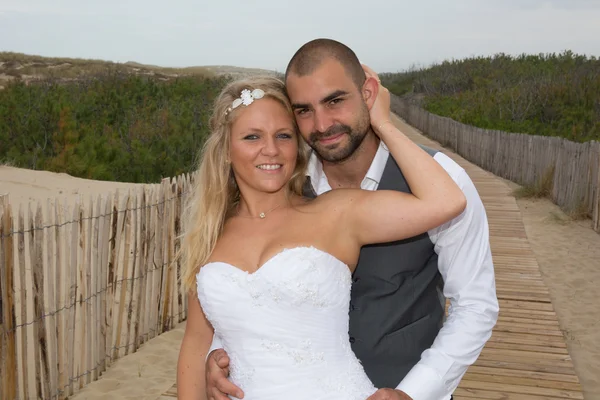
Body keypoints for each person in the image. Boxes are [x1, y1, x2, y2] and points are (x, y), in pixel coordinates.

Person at [204, 39, 499, 400]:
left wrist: (415, 392)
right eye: (304, 110)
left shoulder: (440, 181)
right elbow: (248, 283)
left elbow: (474, 305)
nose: (323, 124)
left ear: (369, 93)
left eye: (335, 101)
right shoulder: (280, 184)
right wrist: (218, 355)